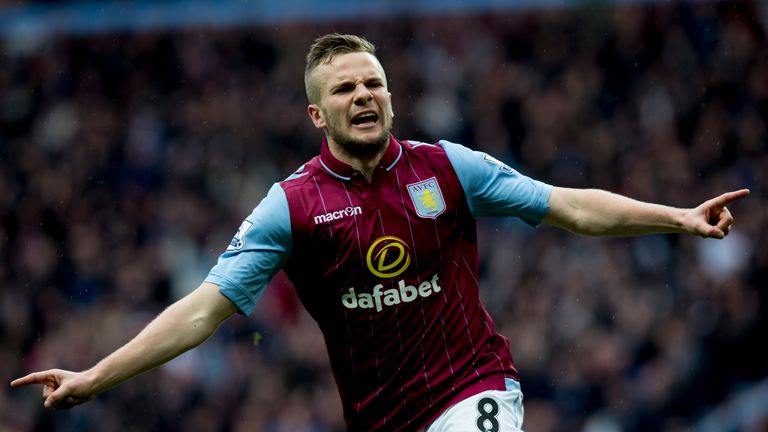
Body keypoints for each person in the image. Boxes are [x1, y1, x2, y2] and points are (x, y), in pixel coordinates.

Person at [11, 33, 749, 431]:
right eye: (346, 89)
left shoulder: (448, 168)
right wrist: (94, 377)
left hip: (476, 389)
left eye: (375, 84)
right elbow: (203, 310)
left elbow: (567, 206)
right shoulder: (290, 208)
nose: (365, 96)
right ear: (317, 115)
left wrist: (677, 217)